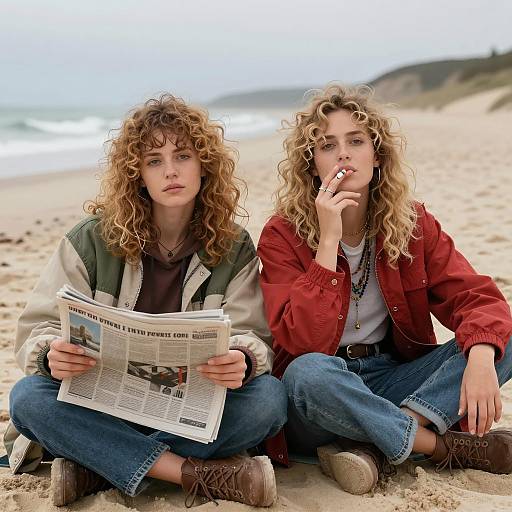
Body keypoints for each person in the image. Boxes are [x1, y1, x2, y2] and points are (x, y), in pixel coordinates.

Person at [7, 95, 287, 507]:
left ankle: (96, 464)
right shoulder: (91, 239)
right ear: (137, 174)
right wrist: (49, 354)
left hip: (187, 405)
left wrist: (243, 359)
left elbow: (252, 335)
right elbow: (37, 328)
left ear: (204, 164)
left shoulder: (233, 246)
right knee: (27, 398)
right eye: (154, 160)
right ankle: (187, 473)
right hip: (106, 402)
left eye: (183, 156)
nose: (170, 171)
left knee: (268, 401)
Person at [257, 84, 512, 495]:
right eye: (327, 146)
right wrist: (327, 243)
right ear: (312, 166)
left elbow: (476, 297)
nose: (343, 153)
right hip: (323, 393)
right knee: (307, 374)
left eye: (355, 141)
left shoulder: (413, 224)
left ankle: (374, 444)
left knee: (500, 336)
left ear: (376, 156)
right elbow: (301, 343)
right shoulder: (281, 234)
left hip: (392, 376)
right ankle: (439, 445)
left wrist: (482, 356)